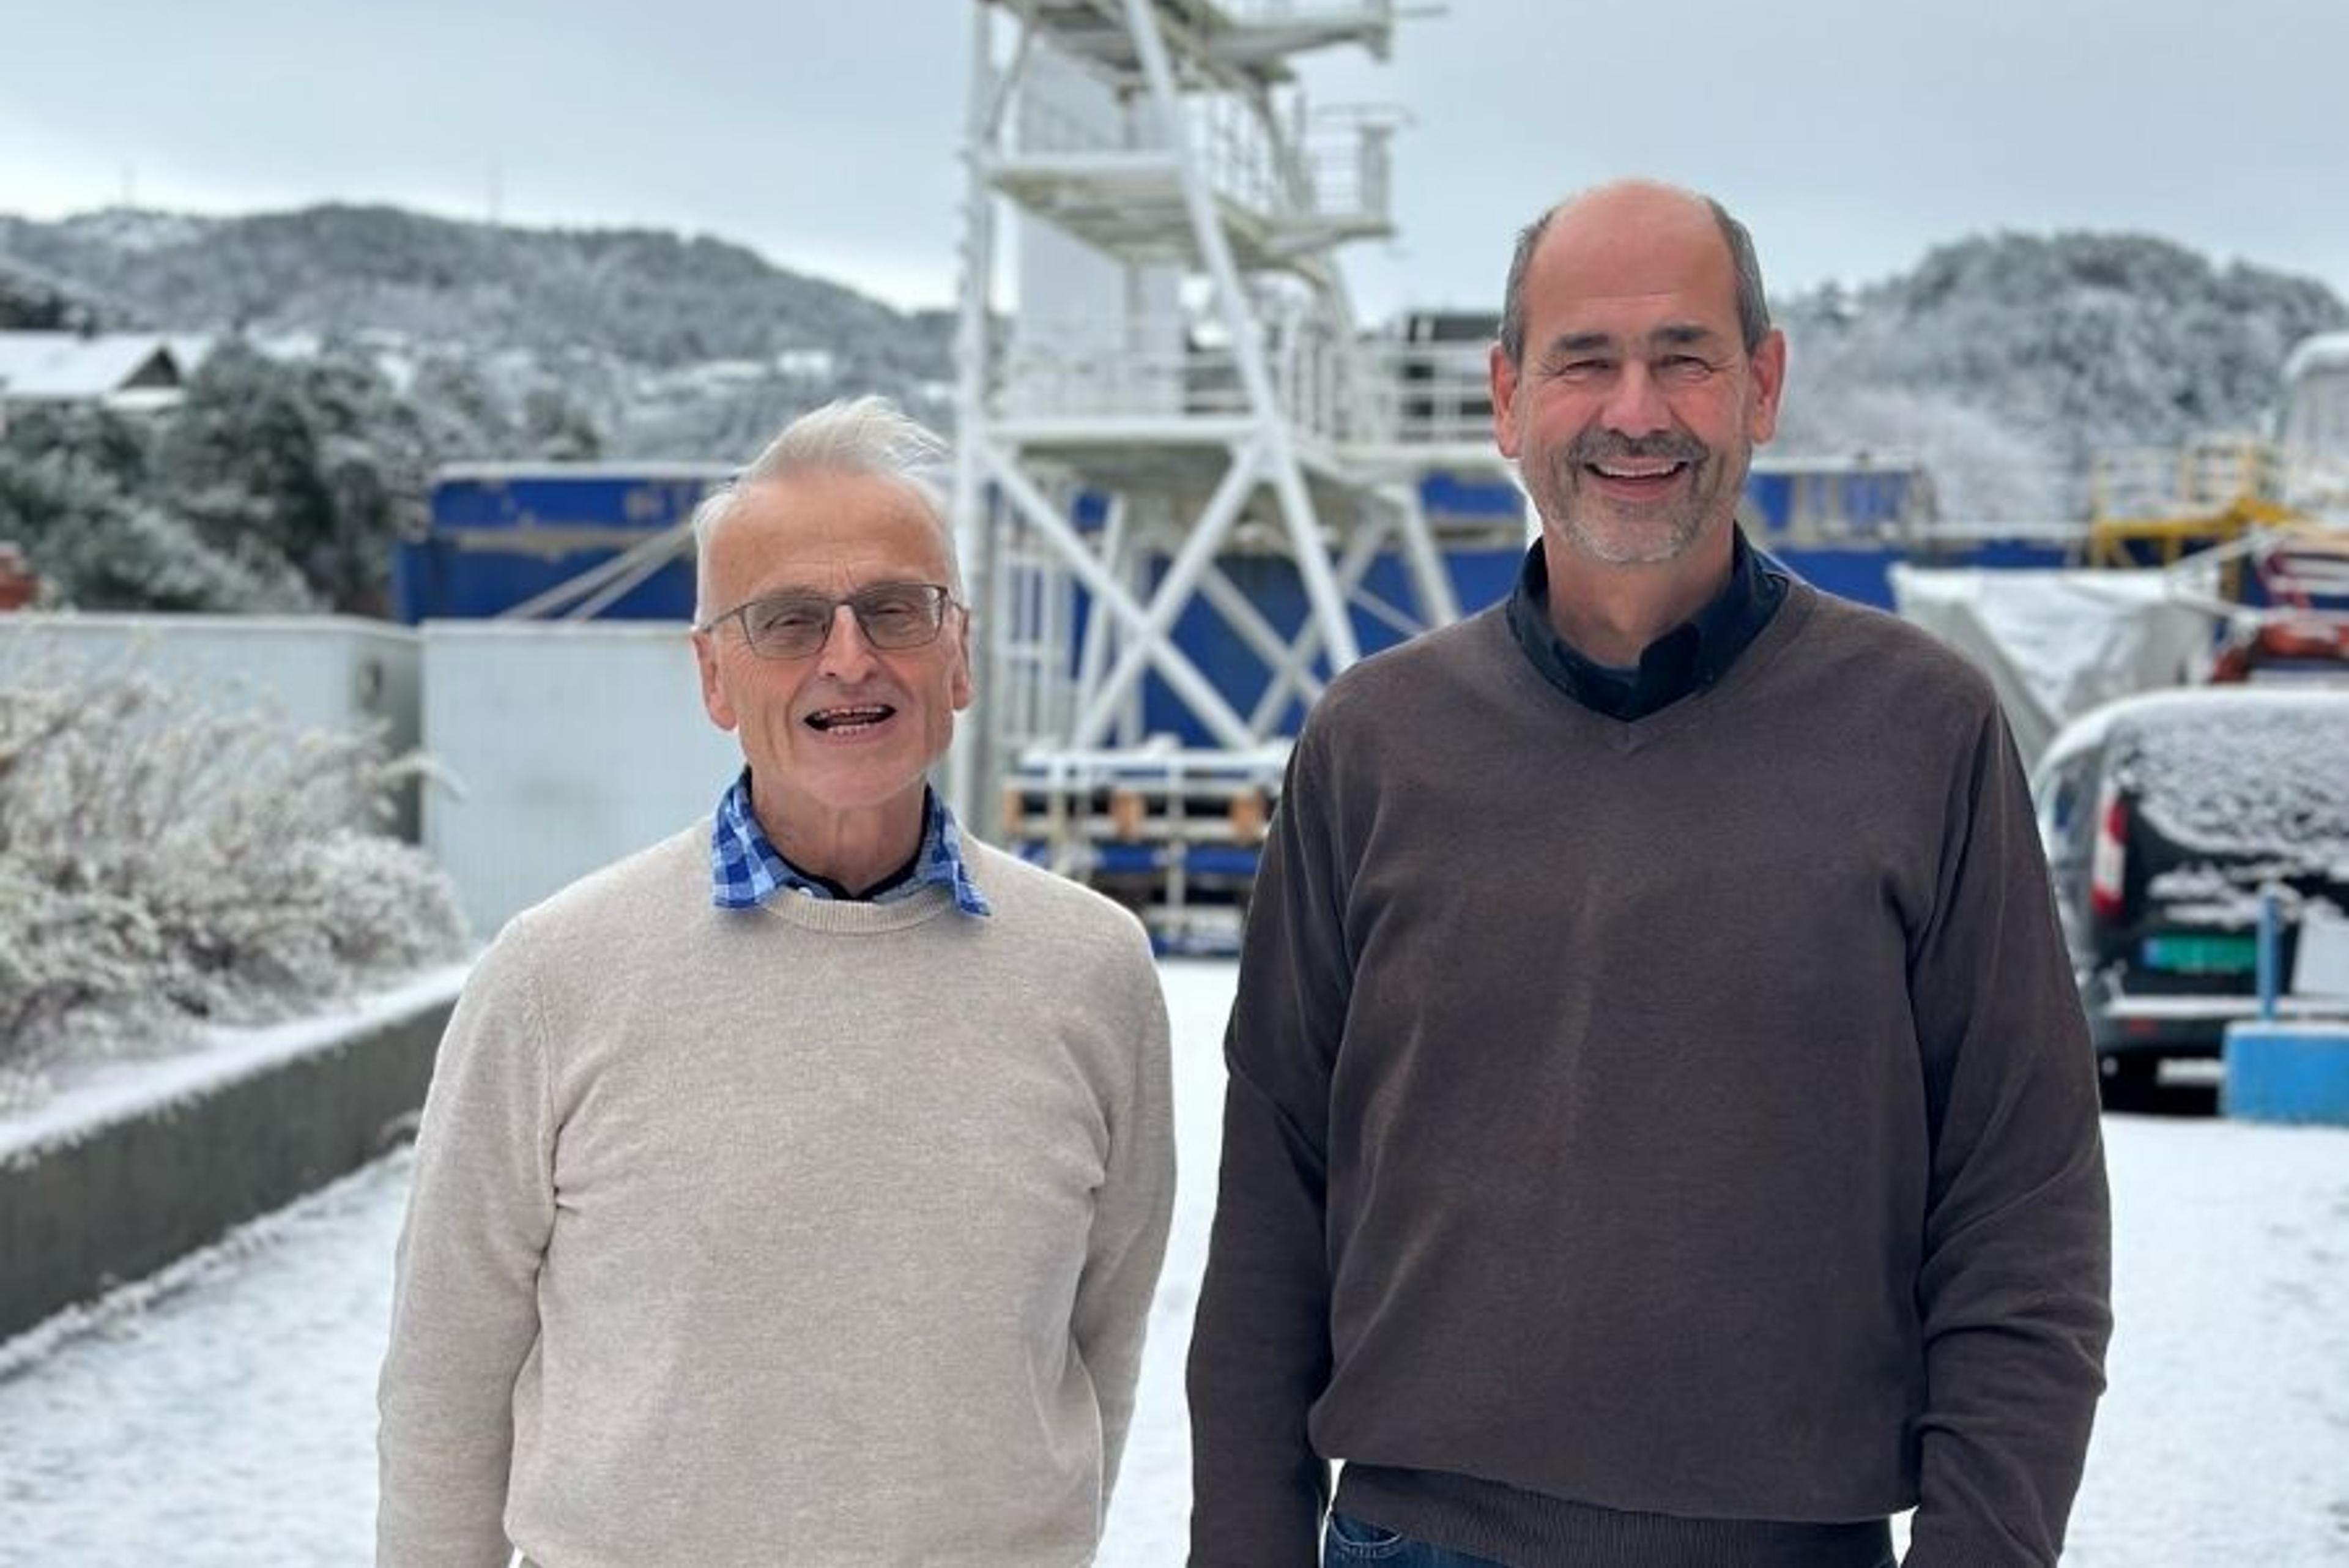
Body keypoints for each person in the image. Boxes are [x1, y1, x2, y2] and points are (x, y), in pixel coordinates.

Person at [1187, 180, 2112, 1568]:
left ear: (1763, 385)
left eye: (1684, 356)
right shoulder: (1373, 744)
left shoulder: (1923, 731)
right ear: (1507, 399)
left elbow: (2023, 1204)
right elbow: (1275, 1194)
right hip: (1409, 1540)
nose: (1637, 409)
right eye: (1583, 361)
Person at [378, 396, 1176, 1567]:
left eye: (895, 610)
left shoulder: (1094, 973)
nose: (849, 657)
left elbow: (1095, 1345)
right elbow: (447, 1384)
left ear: (957, 655)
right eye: (790, 620)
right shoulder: (555, 977)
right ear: (713, 676)